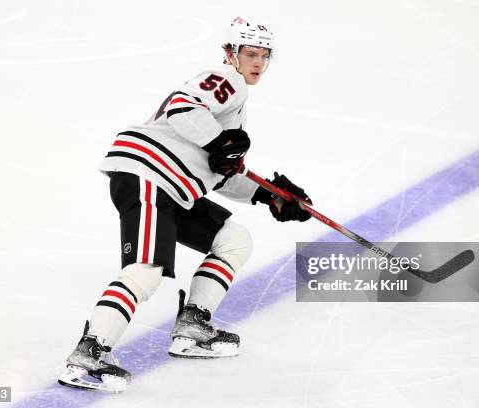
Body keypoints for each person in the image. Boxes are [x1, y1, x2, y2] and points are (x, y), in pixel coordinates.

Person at [58, 16, 312, 392]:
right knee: (145, 271)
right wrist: (218, 144)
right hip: (150, 177)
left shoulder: (232, 107)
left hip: (172, 186)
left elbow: (219, 169)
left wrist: (268, 194)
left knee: (234, 239)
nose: (258, 63)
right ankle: (88, 354)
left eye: (264, 55)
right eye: (250, 53)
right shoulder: (229, 80)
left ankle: (192, 325)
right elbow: (183, 107)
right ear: (231, 53)